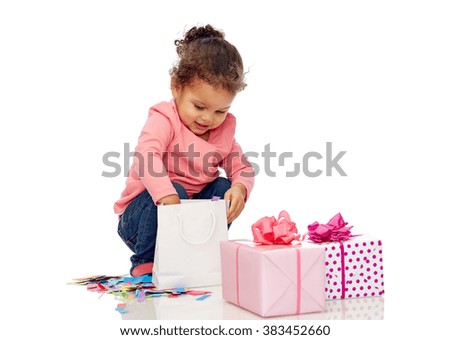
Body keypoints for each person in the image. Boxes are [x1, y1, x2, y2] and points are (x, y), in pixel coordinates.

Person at [114, 24, 255, 277]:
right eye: (199, 106)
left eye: (220, 111)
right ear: (176, 87)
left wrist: (240, 188)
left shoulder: (224, 131)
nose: (208, 118)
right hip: (142, 222)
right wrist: (167, 195)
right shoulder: (164, 118)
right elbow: (147, 157)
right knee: (174, 190)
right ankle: (145, 263)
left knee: (223, 187)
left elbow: (242, 167)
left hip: (186, 225)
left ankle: (203, 253)